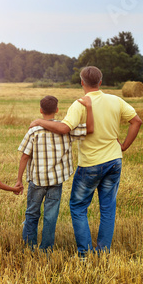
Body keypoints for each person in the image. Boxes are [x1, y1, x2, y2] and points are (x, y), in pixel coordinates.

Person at [30, 66, 142, 256]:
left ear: (82, 82)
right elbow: (137, 121)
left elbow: (65, 128)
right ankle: (103, 251)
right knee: (108, 207)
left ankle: (85, 253)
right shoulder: (116, 100)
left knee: (78, 206)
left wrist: (40, 122)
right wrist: (123, 146)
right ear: (100, 81)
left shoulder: (80, 103)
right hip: (114, 160)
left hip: (90, 163)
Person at [17, 95, 93, 252]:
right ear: (57, 110)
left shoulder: (34, 131)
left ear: (40, 110)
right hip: (55, 181)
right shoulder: (65, 129)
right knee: (50, 217)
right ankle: (46, 249)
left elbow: (25, 156)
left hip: (37, 181)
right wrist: (90, 108)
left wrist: (19, 179)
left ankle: (29, 247)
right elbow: (89, 129)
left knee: (32, 213)